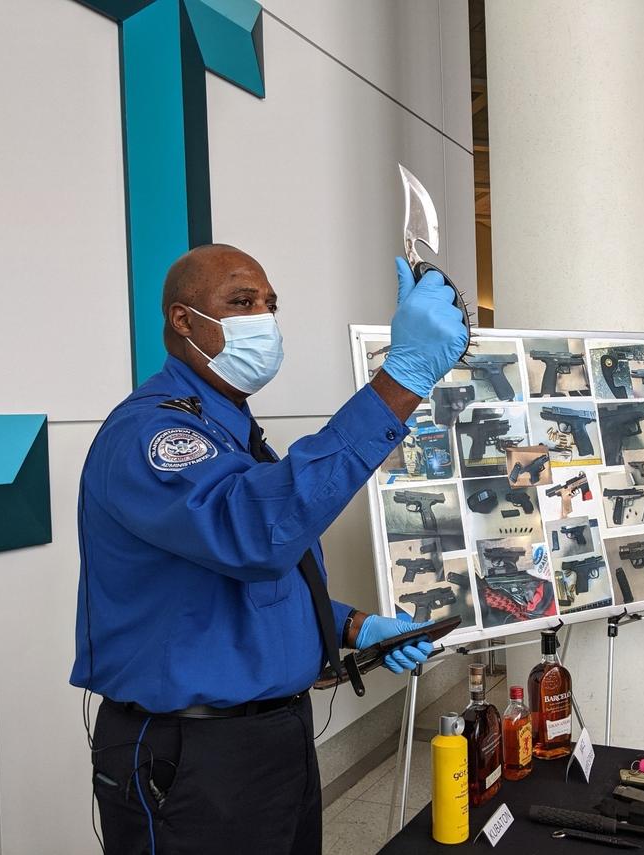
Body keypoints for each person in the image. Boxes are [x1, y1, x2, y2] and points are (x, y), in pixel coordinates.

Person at [70, 244, 468, 854]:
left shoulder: (227, 430)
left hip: (273, 742)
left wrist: (354, 626)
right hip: (191, 755)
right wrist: (401, 380)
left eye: (270, 304)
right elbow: (257, 536)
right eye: (241, 302)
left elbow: (242, 586)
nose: (264, 317)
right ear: (182, 320)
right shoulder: (151, 435)